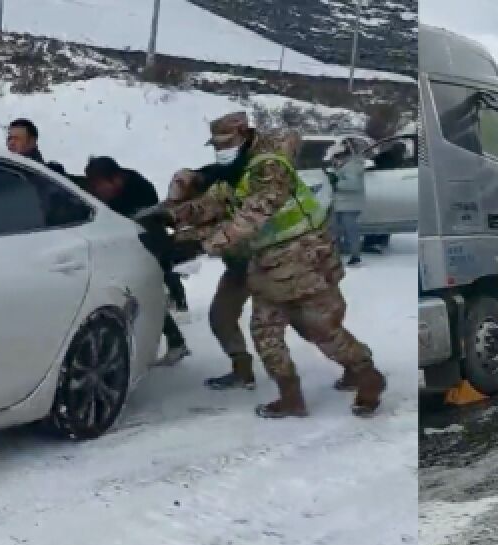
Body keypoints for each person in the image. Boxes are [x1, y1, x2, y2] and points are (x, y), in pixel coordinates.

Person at [153, 111, 386, 418]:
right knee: (265, 330)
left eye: (226, 142)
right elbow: (217, 203)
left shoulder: (269, 167)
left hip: (303, 259)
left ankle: (368, 376)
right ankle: (291, 396)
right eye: (217, 145)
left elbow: (251, 216)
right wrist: (174, 216)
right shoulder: (238, 172)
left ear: (245, 135)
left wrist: (202, 244)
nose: (220, 150)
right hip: (268, 266)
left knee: (320, 328)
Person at [162, 133, 258, 391]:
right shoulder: (204, 185)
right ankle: (242, 371)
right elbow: (186, 215)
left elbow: (222, 228)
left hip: (269, 265)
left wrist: (191, 241)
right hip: (239, 269)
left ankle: (359, 368)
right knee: (221, 317)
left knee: (295, 324)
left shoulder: (227, 185)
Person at [84, 156, 192, 367]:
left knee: (147, 295)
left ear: (115, 179)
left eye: (100, 185)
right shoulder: (103, 191)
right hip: (126, 250)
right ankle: (175, 339)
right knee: (141, 298)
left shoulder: (139, 188)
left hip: (150, 246)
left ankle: (176, 328)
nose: (97, 190)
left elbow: (154, 223)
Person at [327, 144, 366, 266]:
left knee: (350, 231)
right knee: (333, 229)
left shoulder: (352, 167)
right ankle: (336, 254)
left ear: (339, 156)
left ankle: (355, 255)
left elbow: (354, 185)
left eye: (333, 157)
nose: (332, 161)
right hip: (340, 203)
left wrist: (336, 183)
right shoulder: (342, 166)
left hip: (350, 205)